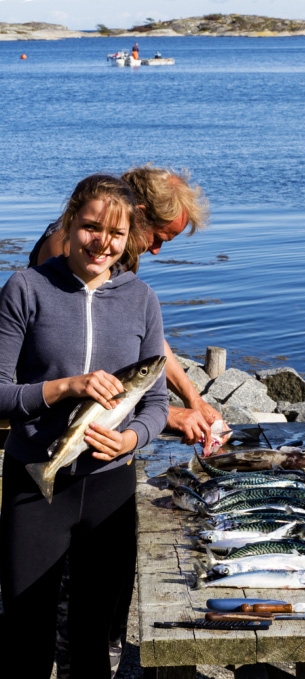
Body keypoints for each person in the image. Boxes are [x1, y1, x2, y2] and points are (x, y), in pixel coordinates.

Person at [0, 174, 169, 678]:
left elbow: (155, 401)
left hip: (109, 489)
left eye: (116, 234)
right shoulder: (26, 288)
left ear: (130, 239)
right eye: (92, 227)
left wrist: (131, 438)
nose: (102, 242)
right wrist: (65, 388)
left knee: (95, 640)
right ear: (71, 222)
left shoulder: (142, 299)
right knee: (27, 639)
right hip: (35, 480)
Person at [29, 164, 223, 447]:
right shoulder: (73, 249)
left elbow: (144, 334)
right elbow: (76, 354)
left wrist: (194, 399)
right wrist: (167, 413)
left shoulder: (123, 254)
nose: (156, 250)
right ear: (140, 214)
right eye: (158, 238)